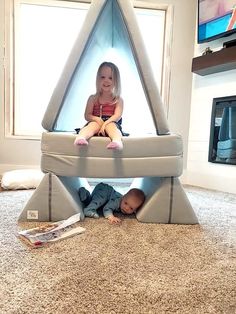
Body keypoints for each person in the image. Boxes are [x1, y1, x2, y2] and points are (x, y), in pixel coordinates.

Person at [74, 61, 124, 150]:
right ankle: (80, 138)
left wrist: (105, 124)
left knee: (111, 126)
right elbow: (87, 115)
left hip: (111, 121)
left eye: (110, 78)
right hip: (96, 121)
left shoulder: (118, 100)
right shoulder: (93, 98)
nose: (106, 80)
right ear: (98, 79)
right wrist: (98, 120)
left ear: (116, 81)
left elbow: (117, 116)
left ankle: (117, 141)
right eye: (102, 77)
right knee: (92, 125)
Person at [78, 182, 145, 224]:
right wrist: (111, 216)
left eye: (131, 208)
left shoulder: (126, 202)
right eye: (126, 203)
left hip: (103, 190)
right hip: (104, 190)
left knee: (92, 201)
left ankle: (85, 194)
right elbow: (107, 208)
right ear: (123, 197)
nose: (126, 208)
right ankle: (88, 210)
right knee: (98, 200)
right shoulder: (117, 201)